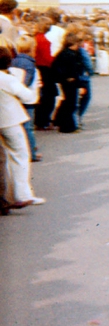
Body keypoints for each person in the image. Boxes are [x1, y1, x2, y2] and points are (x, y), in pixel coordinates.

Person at [0, 41, 43, 208]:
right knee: (20, 155)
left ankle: (8, 194)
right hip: (10, 119)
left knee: (5, 158)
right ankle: (22, 194)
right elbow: (27, 95)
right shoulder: (8, 79)